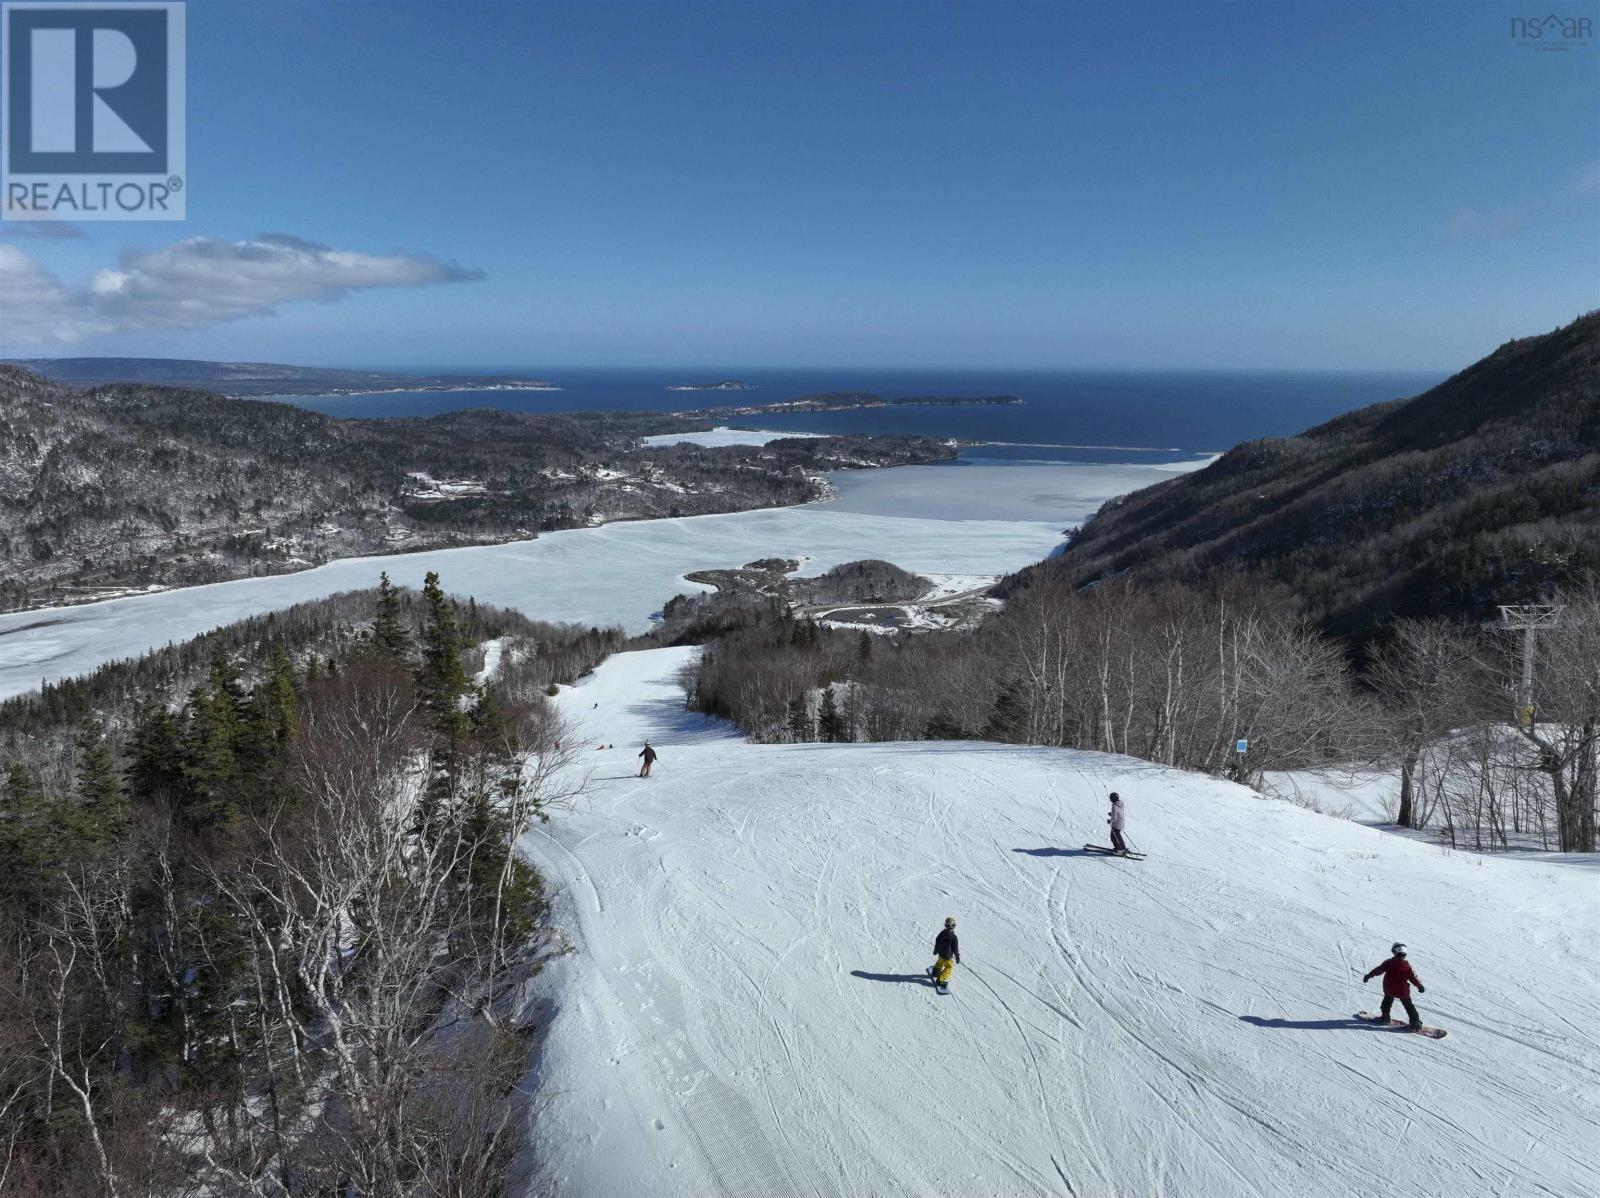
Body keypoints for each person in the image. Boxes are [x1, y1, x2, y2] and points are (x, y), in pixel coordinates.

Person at [1363, 943, 1426, 1030]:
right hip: (1403, 991)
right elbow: (1413, 977)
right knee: (1409, 1007)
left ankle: (1385, 1018)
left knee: (1386, 1004)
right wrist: (1420, 986)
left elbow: (1378, 970)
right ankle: (1415, 1024)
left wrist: (1369, 975)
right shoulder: (1407, 965)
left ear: (1394, 952)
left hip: (1390, 989)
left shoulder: (1389, 963)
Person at [927, 916, 960, 991]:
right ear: (954, 926)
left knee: (940, 961)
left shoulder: (942, 933)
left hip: (941, 953)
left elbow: (937, 941)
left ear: (945, 925)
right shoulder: (954, 937)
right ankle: (940, 980)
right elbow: (955, 949)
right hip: (948, 956)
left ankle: (935, 972)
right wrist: (957, 956)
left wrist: (936, 950)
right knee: (949, 967)